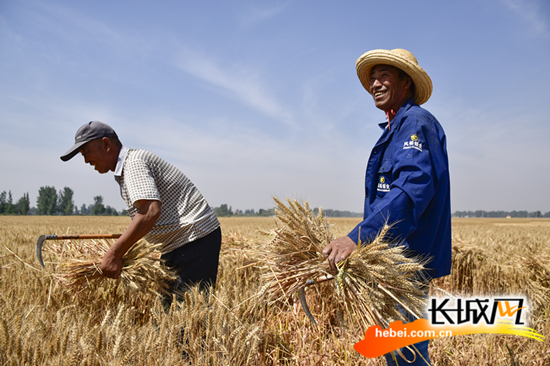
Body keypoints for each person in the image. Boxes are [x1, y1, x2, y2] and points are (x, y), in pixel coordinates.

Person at [322, 49, 452, 365]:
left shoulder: (415, 124)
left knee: (405, 354)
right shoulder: (396, 127)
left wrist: (357, 238)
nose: (376, 84)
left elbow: (409, 192)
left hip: (406, 263)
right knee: (397, 352)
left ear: (406, 82)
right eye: (373, 78)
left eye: (385, 76)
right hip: (392, 261)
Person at [60, 121, 222, 303]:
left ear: (106, 144)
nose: (86, 161)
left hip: (194, 239)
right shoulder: (127, 168)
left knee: (186, 319)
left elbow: (150, 211)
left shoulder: (133, 164)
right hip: (179, 244)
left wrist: (115, 253)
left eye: (87, 153)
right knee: (169, 316)